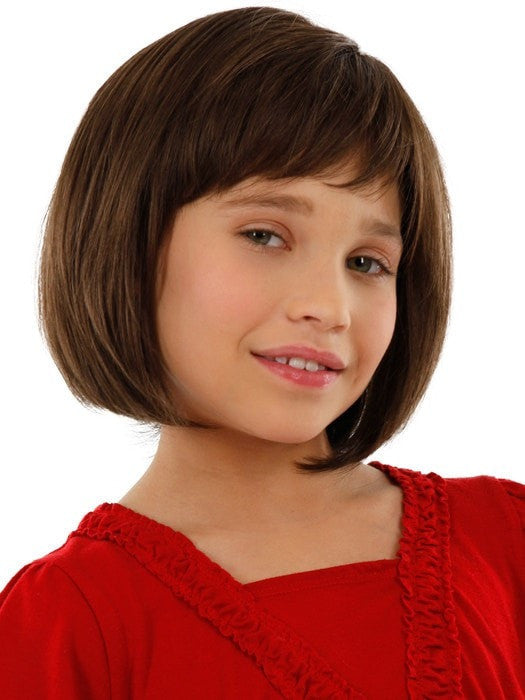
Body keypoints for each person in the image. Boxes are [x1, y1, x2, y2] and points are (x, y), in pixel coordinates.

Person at [0, 6, 523, 698]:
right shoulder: (67, 623)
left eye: (366, 262)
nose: (329, 307)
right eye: (265, 236)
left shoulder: (505, 542)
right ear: (127, 240)